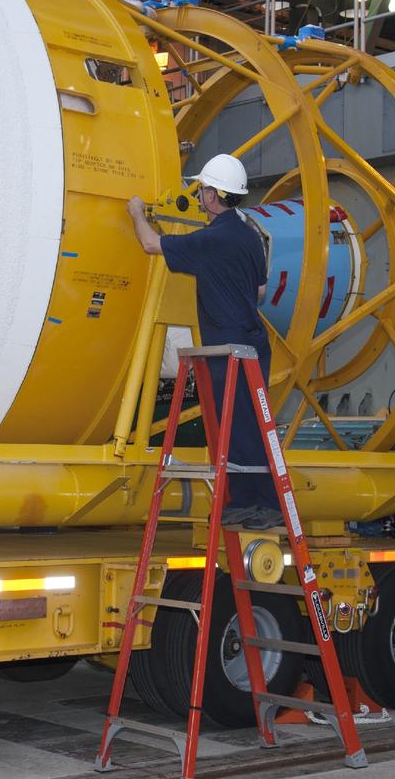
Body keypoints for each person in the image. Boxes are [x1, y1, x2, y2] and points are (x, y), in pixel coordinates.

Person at [126, 153, 281, 530]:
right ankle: (255, 503)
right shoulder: (249, 236)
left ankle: (257, 505)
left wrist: (135, 213)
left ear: (214, 196)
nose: (199, 196)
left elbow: (150, 245)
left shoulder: (212, 240)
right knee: (251, 424)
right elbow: (260, 290)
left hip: (227, 346)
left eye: (203, 190)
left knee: (238, 427)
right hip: (253, 342)